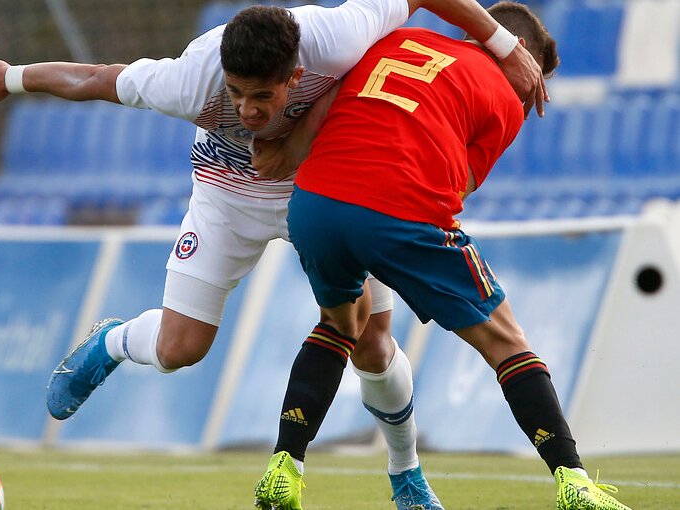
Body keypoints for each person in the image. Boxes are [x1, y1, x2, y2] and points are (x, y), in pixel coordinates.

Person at [0, 2, 546, 509]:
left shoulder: (336, 37)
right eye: (236, 95)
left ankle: (406, 477)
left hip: (323, 188)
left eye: (264, 97)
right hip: (225, 196)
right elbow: (97, 78)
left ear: (297, 73)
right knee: (182, 349)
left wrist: (501, 43)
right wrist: (13, 77)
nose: (249, 112)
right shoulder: (186, 81)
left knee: (370, 338)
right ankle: (112, 341)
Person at [250, 2, 633, 509]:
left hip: (314, 204)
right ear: (522, 61)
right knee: (506, 340)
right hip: (397, 209)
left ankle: (285, 465)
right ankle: (574, 481)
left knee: (341, 325)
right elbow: (458, 188)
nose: (530, 98)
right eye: (533, 86)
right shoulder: (504, 95)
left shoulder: (394, 42)